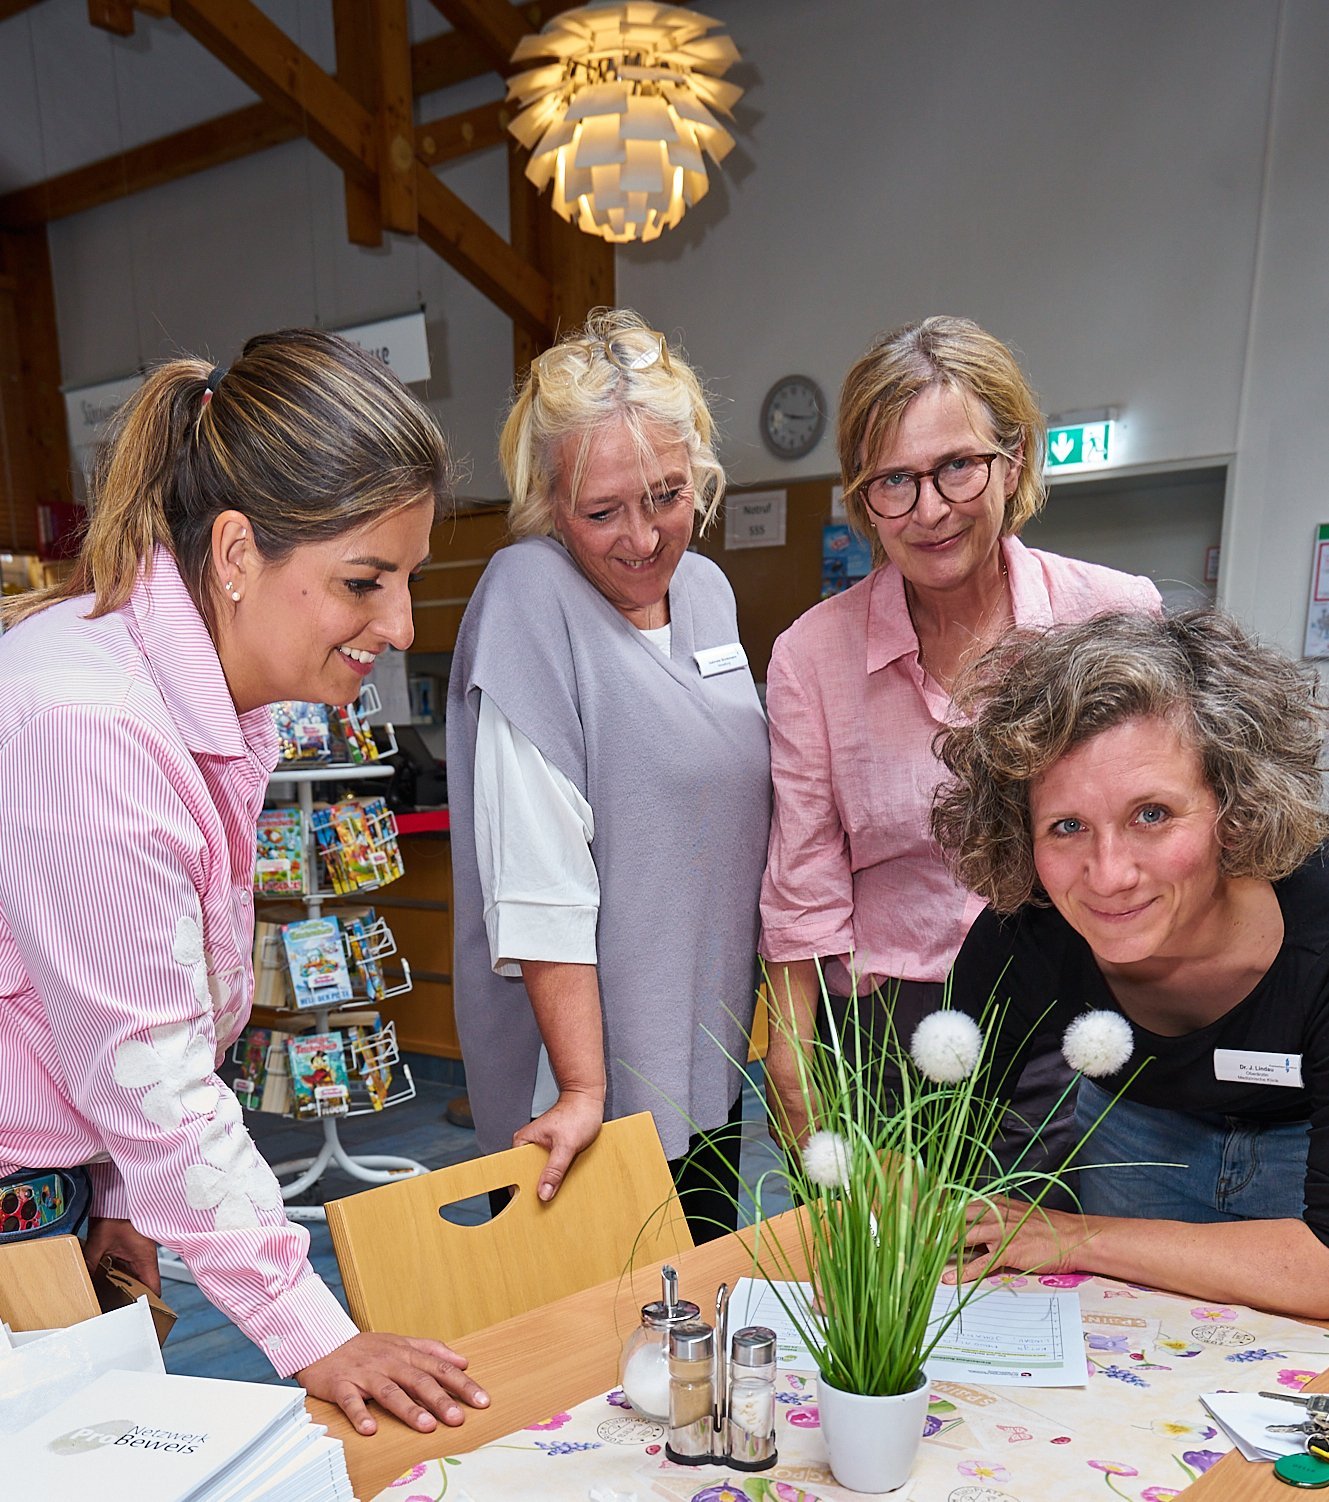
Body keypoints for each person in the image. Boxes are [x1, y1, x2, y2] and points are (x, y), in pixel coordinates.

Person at [0, 330, 489, 1434]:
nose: (401, 626)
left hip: (58, 1203)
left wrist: (115, 1195)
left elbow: (93, 1004)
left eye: (408, 579)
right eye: (364, 581)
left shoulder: (208, 692)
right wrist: (315, 1332)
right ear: (233, 553)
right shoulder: (92, 727)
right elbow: (153, 1072)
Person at [759, 315, 1160, 1152]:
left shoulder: (1113, 617)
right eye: (892, 481)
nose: (928, 510)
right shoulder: (811, 657)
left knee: (1065, 1272)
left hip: (1077, 1021)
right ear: (861, 496)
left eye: (956, 468)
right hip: (885, 1036)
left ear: (1012, 461)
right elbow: (804, 885)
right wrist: (792, 1063)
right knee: (894, 1278)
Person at [447, 309, 771, 1242]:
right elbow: (539, 878)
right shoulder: (527, 593)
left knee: (693, 1324)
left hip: (703, 1057)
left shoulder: (706, 594)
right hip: (586, 1080)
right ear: (548, 503)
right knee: (597, 1364)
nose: (641, 537)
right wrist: (585, 1083)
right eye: (601, 511)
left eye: (667, 495)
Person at [932, 609, 1329, 1316]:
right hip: (1136, 1130)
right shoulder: (1026, 930)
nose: (1108, 875)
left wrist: (1078, 1237)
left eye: (1151, 814)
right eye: (1066, 826)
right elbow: (923, 1142)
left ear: (1232, 808)